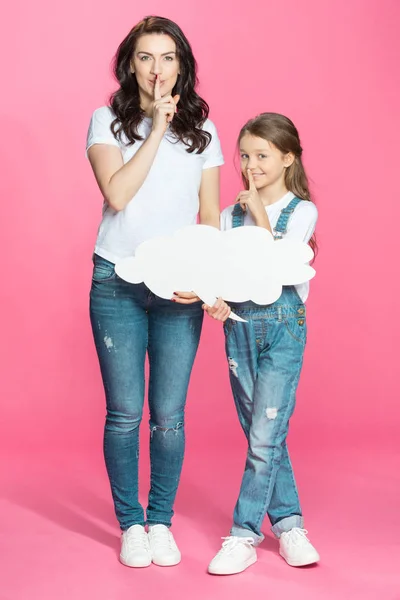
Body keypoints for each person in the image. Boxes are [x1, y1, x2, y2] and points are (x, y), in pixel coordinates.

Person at [86, 16, 224, 569]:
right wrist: (157, 131)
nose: (157, 68)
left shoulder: (205, 131)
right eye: (146, 57)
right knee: (124, 413)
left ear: (182, 65)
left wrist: (207, 279)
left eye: (168, 57)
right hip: (116, 282)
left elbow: (210, 215)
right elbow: (117, 195)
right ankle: (130, 524)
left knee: (169, 414)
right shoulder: (106, 120)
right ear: (130, 65)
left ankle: (161, 521)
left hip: (178, 287)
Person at [204, 113, 320, 575]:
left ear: (287, 158)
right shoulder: (228, 215)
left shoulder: (302, 210)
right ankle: (289, 523)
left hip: (283, 327)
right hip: (239, 327)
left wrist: (256, 212)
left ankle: (244, 532)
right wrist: (214, 300)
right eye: (245, 156)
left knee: (263, 437)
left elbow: (276, 265)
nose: (250, 165)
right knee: (263, 435)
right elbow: (226, 271)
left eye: (262, 156)